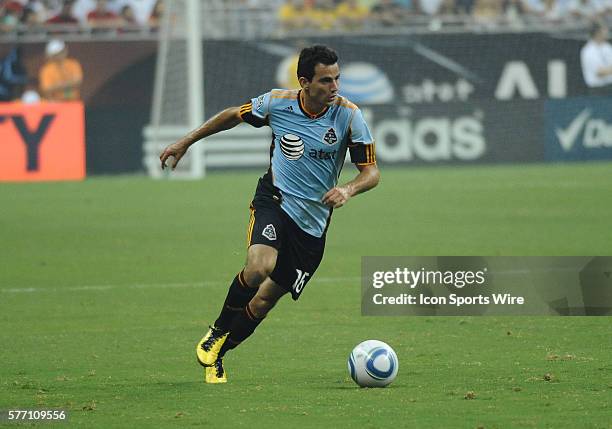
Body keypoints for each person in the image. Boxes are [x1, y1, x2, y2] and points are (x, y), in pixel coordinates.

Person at [159, 45, 379, 384]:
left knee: (263, 303)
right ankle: (217, 330)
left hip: (313, 226)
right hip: (275, 201)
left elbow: (371, 172)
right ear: (304, 82)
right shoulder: (278, 103)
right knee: (259, 266)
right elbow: (234, 114)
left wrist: (348, 189)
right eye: (326, 80)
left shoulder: (349, 116)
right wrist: (186, 142)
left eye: (337, 79)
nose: (335, 87)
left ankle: (219, 353)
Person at [581, 20, 612, 95]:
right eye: (604, 29)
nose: (607, 31)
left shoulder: (607, 47)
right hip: (598, 90)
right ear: (598, 32)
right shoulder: (588, 51)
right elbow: (600, 72)